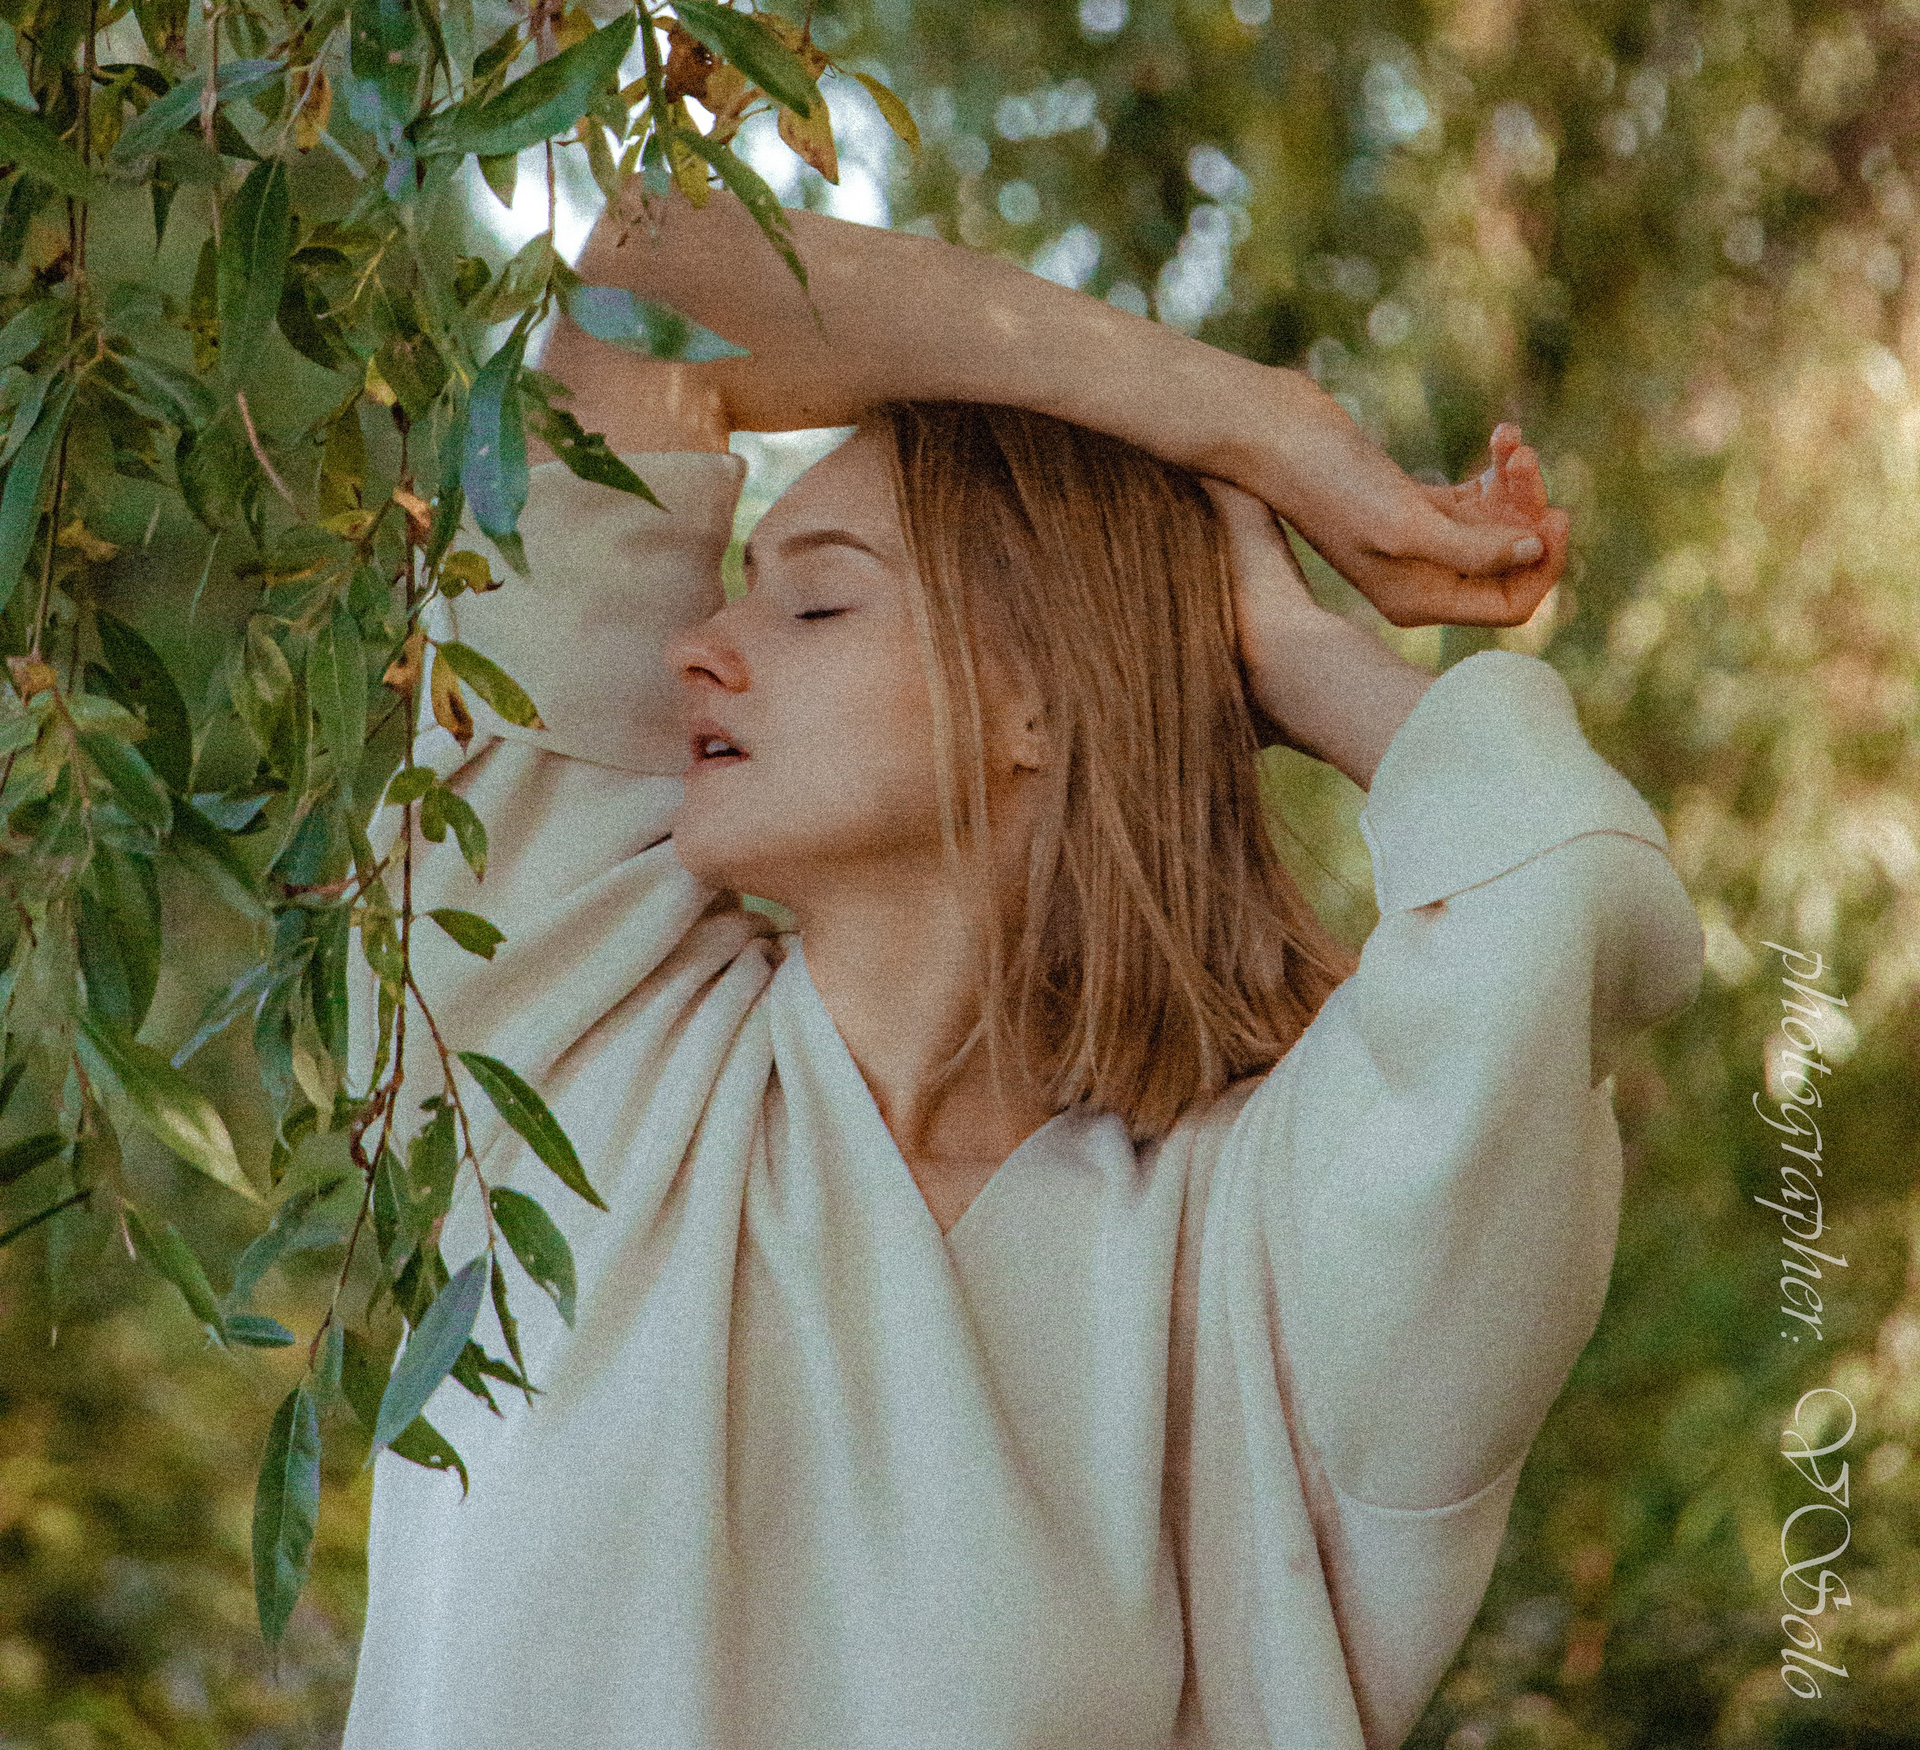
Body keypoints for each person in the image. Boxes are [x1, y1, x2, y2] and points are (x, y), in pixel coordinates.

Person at [342, 190, 1705, 1750]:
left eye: (819, 599)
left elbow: (1564, 902)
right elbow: (648, 285)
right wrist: (1257, 425)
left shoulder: (1258, 1267)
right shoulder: (561, 1031)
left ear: (1043, 703)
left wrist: (1290, 652)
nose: (699, 647)